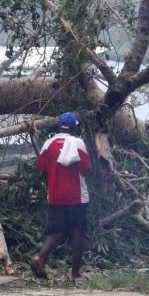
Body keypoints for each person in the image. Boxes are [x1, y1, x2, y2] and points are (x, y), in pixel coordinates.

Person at [31, 111, 91, 280]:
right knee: (77, 231)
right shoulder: (77, 142)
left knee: (57, 232)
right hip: (76, 196)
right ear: (74, 128)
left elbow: (41, 171)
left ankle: (40, 257)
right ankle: (75, 273)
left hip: (55, 196)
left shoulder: (48, 144)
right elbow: (86, 169)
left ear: (59, 126)